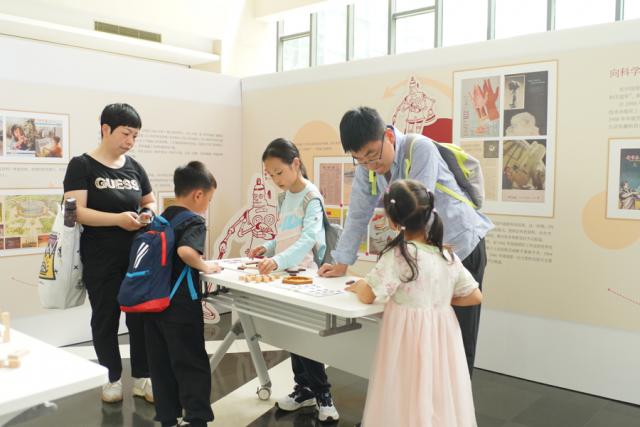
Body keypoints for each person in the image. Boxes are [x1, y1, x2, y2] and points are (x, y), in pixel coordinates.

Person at [319, 106, 493, 375]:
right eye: (359, 159)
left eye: (372, 155)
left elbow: (420, 213)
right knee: (427, 336)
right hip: (425, 253)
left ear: (388, 136)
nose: (369, 165)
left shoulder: (419, 148)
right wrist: (341, 262)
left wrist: (397, 259)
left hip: (460, 246)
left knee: (457, 337)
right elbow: (358, 213)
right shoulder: (368, 168)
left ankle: (457, 397)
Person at [347, 179, 482, 427]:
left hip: (407, 336)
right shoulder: (447, 254)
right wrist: (440, 299)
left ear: (393, 220)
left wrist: (358, 285)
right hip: (442, 335)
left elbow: (368, 294)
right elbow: (475, 295)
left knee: (404, 388)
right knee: (438, 390)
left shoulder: (400, 255)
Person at [63, 103, 156, 403]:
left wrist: (147, 213)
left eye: (135, 136)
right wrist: (117, 219)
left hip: (136, 258)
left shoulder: (135, 167)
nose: (130, 141)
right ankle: (111, 378)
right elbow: (74, 212)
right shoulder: (82, 165)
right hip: (100, 258)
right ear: (106, 129)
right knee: (105, 318)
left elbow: (149, 200)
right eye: (126, 134)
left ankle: (142, 377)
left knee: (140, 319)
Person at [248, 138, 338, 422]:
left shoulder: (312, 196)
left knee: (307, 339)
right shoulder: (285, 196)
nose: (276, 179)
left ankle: (323, 395)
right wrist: (268, 248)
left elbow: (308, 238)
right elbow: (286, 235)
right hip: (286, 275)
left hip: (307, 276)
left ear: (295, 164)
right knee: (294, 337)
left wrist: (277, 260)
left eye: (279, 172)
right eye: (271, 174)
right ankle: (304, 389)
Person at [145, 161, 219, 427]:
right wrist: (205, 266)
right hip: (180, 306)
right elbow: (186, 252)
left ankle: (168, 418)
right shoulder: (194, 221)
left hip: (153, 304)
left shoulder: (160, 218)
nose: (207, 206)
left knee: (161, 365)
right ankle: (196, 419)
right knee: (191, 363)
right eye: (208, 199)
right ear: (198, 195)